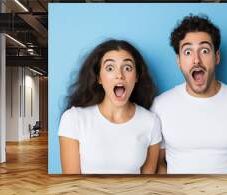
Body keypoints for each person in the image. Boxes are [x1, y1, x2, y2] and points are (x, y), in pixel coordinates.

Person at [151, 15, 227, 174]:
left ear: (217, 57)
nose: (196, 60)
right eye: (188, 51)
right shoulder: (160, 106)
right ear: (179, 60)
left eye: (204, 50)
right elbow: (159, 165)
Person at [59, 39, 161, 174]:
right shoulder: (74, 118)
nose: (119, 75)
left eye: (127, 68)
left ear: (136, 76)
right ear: (99, 78)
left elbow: (148, 182)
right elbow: (71, 183)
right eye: (110, 68)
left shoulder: (151, 121)